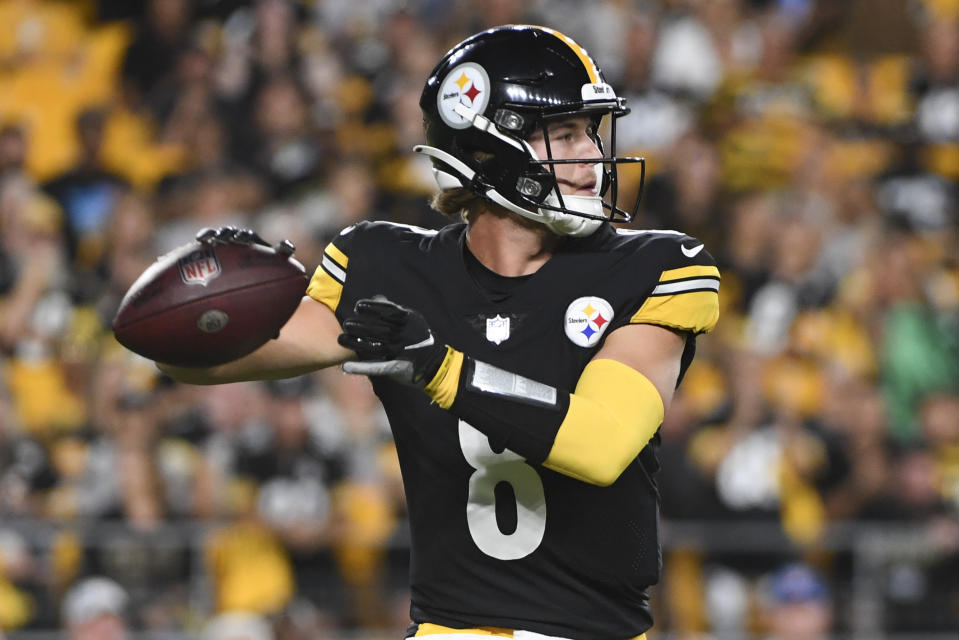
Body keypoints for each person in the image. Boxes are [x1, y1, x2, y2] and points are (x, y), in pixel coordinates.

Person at [160, 25, 720, 640]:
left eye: (589, 132)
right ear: (492, 148)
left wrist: (441, 367)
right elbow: (198, 360)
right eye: (565, 134)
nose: (591, 155)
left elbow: (605, 443)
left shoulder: (656, 266)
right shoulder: (388, 267)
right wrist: (208, 304)